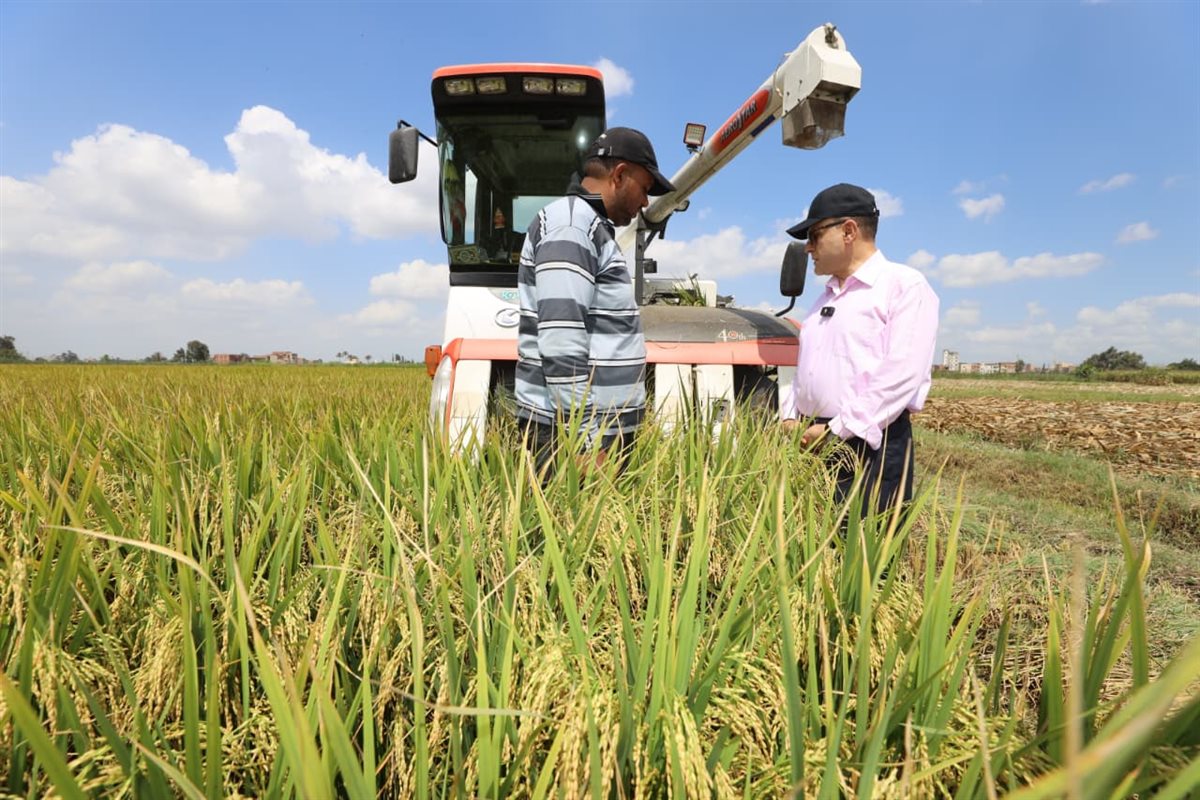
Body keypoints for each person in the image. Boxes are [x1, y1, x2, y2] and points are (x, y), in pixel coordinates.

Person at [514, 127, 675, 475]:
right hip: (575, 436)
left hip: (591, 429)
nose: (646, 202)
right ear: (619, 175)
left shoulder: (588, 226)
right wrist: (583, 440)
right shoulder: (572, 226)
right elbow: (561, 338)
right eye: (645, 189)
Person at [782, 183, 939, 517]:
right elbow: (807, 371)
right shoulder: (824, 298)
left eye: (814, 235)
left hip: (866, 443)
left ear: (849, 230)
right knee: (815, 549)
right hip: (813, 438)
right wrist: (790, 415)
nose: (809, 248)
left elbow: (901, 375)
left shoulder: (904, 286)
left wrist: (836, 430)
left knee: (863, 553)